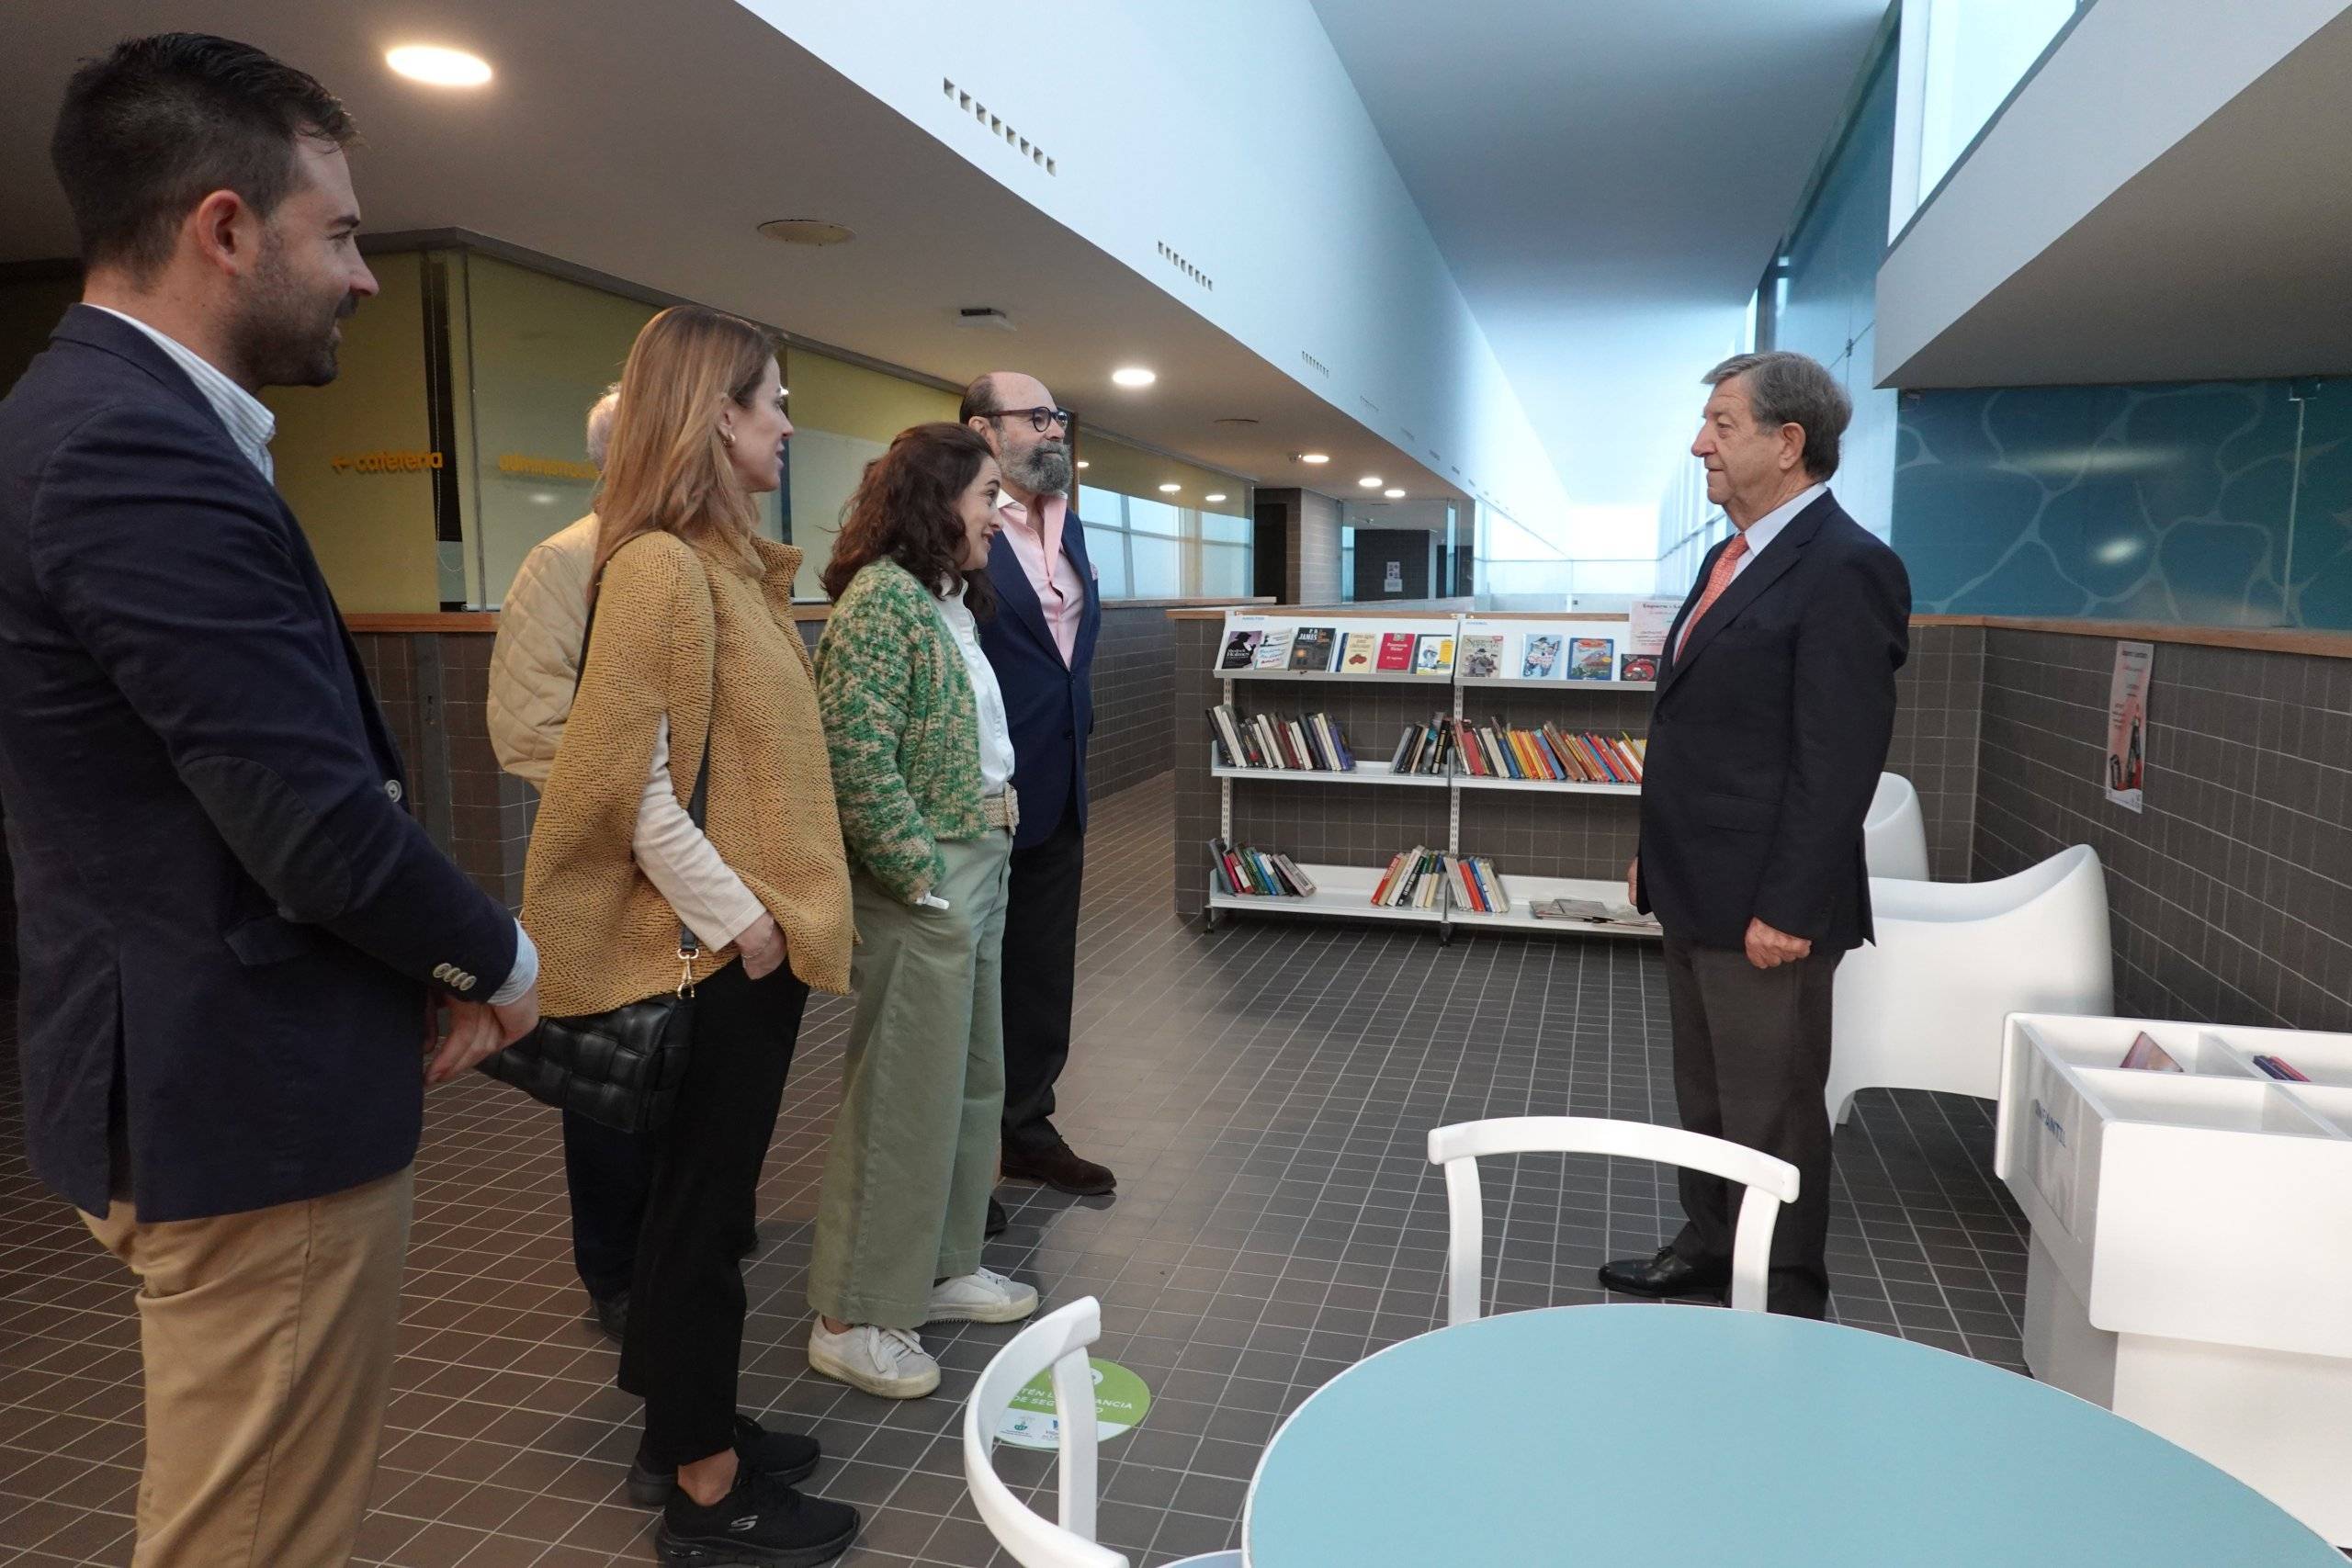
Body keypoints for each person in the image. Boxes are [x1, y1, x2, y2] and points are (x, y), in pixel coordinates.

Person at [0, 34, 542, 1565]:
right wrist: (501, 960)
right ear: (224, 227)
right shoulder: (127, 450)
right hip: (241, 1097)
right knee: (253, 1535)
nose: (366, 275)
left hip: (198, 1070)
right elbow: (308, 822)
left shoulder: (108, 423)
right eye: (346, 233)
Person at [521, 304, 859, 1563]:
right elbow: (630, 781)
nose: (786, 422)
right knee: (701, 1217)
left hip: (735, 947)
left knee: (703, 1215)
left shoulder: (721, 565)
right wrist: (746, 921)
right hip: (713, 954)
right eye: (771, 399)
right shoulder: (662, 566)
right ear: (716, 413)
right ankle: (707, 1489)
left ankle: (687, 1424)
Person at [1603, 350, 1911, 1320]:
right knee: (1707, 1100)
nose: (1700, 443)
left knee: (1771, 1113)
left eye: (1722, 424)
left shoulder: (1847, 567)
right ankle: (1709, 1244)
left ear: (1788, 443)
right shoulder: (1727, 556)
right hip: (1696, 882)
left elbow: (1837, 761)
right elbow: (1706, 731)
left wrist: (1786, 903)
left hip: (1765, 908)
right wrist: (1657, 849)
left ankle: (1781, 1297)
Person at [489, 384, 754, 1339]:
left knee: (693, 1073)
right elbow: (526, 726)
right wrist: (640, 801)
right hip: (608, 867)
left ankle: (682, 1247)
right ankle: (616, 1272)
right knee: (613, 1078)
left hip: (707, 864)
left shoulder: (698, 562)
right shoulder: (564, 562)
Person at [806, 423, 1039, 1396]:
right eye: (990, 494)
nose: (1005, 511)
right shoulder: (878, 605)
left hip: (982, 856)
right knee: (905, 1097)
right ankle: (853, 1314)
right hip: (930, 876)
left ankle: (938, 1268)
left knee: (971, 1083)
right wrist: (917, 875)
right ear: (936, 499)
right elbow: (854, 755)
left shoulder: (945, 602)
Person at [963, 373, 1114, 1234]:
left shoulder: (1070, 522)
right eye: (1037, 416)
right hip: (983, 793)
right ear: (984, 429)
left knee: (1041, 970)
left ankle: (1027, 1126)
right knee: (973, 974)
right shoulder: (964, 529)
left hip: (1061, 784)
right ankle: (959, 1159)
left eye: (1058, 416)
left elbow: (1068, 653)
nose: (1054, 430)